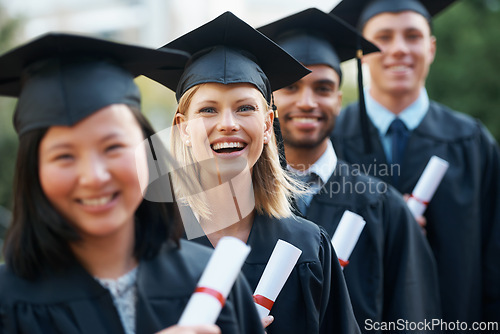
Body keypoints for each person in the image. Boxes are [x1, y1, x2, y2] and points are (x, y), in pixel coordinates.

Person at [0, 33, 265, 334]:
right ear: (33, 171)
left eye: (113, 148)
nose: (94, 176)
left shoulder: (210, 279)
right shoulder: (7, 303)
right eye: (64, 156)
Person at [144, 11, 360, 334]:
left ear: (268, 123)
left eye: (245, 108)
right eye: (208, 110)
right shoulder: (151, 248)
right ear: (183, 127)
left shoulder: (308, 246)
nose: (228, 123)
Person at [258, 7, 441, 332]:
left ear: (339, 100)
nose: (308, 102)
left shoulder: (384, 207)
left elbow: (414, 316)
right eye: (291, 88)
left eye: (323, 88)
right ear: (268, 104)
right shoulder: (240, 204)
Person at [330, 0, 500, 324]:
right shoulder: (329, 142)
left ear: (431, 47)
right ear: (361, 52)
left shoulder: (472, 142)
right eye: (383, 37)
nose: (398, 49)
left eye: (412, 36)